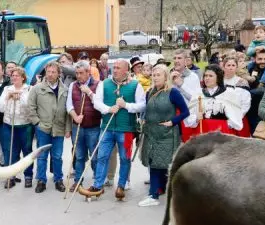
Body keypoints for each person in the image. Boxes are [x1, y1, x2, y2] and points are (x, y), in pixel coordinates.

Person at [86, 59, 147, 200]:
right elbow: (97, 102)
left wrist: (126, 105)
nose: (115, 70)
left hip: (126, 129)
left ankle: (121, 185)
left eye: (119, 68)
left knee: (125, 158)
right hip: (107, 127)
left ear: (126, 70)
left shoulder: (135, 85)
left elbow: (142, 105)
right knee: (102, 156)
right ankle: (97, 185)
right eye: (114, 67)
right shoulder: (104, 83)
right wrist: (108, 109)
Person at [138, 64, 190, 207]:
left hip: (167, 135)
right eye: (154, 75)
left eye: (158, 75)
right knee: (154, 163)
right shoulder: (149, 92)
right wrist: (144, 119)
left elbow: (186, 112)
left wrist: (172, 122)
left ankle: (166, 193)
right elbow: (148, 110)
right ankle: (154, 194)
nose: (155, 77)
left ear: (166, 76)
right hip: (151, 133)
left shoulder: (173, 92)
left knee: (167, 165)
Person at [28, 61, 70, 193]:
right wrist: (37, 123)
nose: (50, 74)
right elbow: (31, 107)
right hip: (43, 128)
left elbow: (68, 111)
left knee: (57, 156)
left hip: (59, 128)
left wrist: (68, 129)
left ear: (59, 73)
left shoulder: (65, 90)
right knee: (42, 156)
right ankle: (41, 180)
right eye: (48, 72)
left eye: (53, 72)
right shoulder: (37, 88)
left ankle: (58, 180)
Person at [66, 61, 101, 191]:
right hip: (78, 126)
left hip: (93, 126)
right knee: (79, 156)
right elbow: (69, 105)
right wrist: (75, 116)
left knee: (94, 156)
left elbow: (99, 103)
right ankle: (78, 181)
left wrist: (89, 93)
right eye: (77, 73)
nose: (78, 76)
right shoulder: (73, 86)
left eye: (81, 73)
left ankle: (97, 182)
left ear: (88, 72)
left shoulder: (98, 84)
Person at [0, 67, 33, 188]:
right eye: (12, 75)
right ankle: (11, 177)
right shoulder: (7, 89)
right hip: (9, 124)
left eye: (17, 75)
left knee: (27, 151)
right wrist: (8, 97)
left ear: (23, 77)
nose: (14, 77)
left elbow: (29, 106)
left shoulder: (29, 89)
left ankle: (28, 176)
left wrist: (20, 97)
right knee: (11, 151)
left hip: (25, 125)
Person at [184, 65, 244, 136]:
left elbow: (235, 118)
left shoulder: (228, 94)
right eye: (205, 76)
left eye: (210, 76)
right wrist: (196, 118)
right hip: (203, 132)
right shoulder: (198, 94)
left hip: (222, 132)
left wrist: (225, 125)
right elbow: (189, 118)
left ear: (218, 78)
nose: (207, 78)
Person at [222, 56, 252, 137]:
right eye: (228, 65)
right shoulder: (218, 82)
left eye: (233, 65)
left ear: (236, 67)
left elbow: (246, 104)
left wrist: (234, 120)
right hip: (222, 119)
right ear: (223, 67)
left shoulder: (242, 82)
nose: (231, 68)